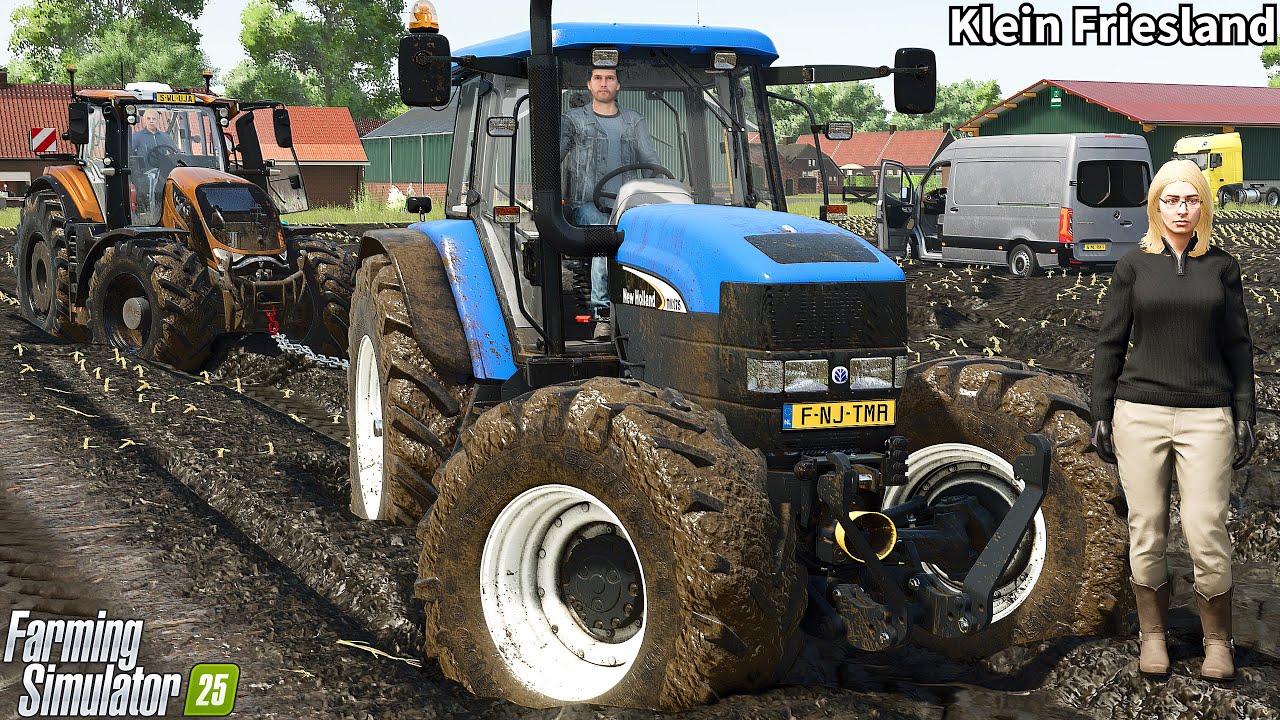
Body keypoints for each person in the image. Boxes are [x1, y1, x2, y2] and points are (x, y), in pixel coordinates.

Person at [1090, 159, 1257, 682]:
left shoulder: (1222, 267)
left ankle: (1216, 642)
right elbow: (1110, 343)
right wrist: (1101, 410)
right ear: (1155, 205)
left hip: (1208, 416)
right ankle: (1154, 637)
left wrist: (1245, 414)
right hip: (1140, 414)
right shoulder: (1133, 267)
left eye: (1190, 200)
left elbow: (1238, 345)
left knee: (1207, 530)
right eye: (1171, 200)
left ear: (1203, 206)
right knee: (1148, 531)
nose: (1181, 209)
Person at [561, 67, 660, 324]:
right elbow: (553, 162)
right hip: (586, 206)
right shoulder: (573, 120)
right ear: (589, 85)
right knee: (605, 236)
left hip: (626, 206)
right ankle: (603, 313)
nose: (604, 83)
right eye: (598, 78)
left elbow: (651, 163)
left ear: (618, 86)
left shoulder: (634, 121)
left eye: (609, 78)